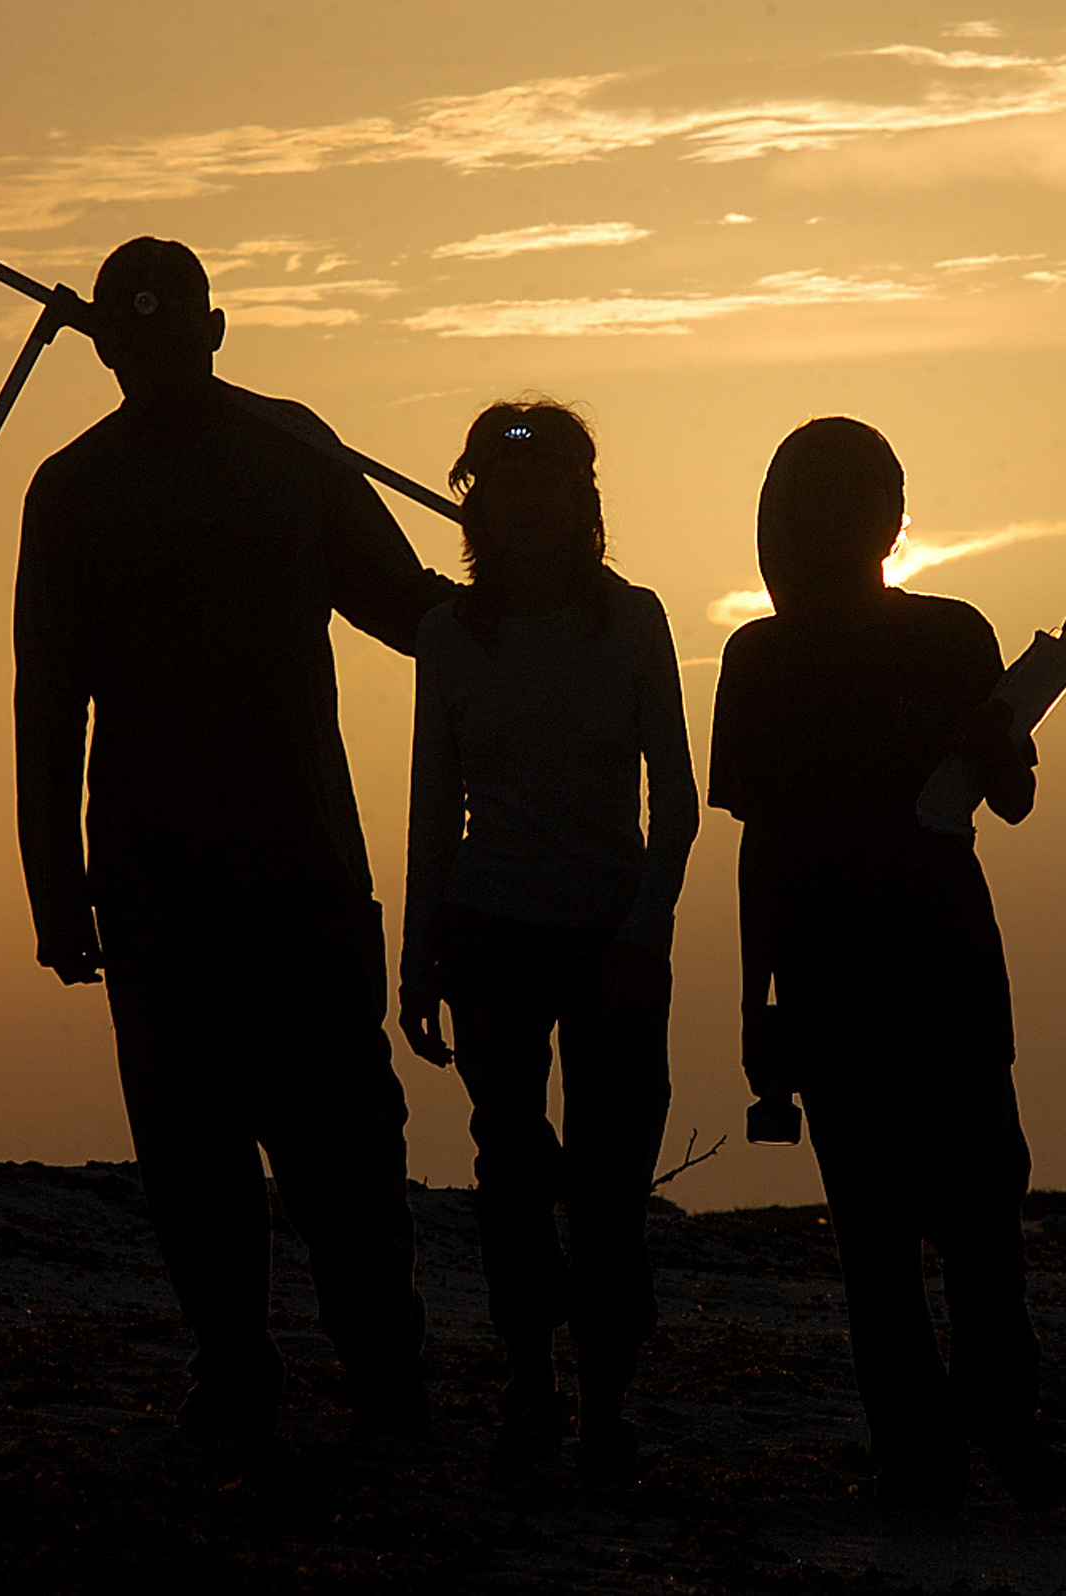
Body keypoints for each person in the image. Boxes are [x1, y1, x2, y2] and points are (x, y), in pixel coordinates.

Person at [13, 237, 456, 1444]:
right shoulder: (72, 489)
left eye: (174, 334)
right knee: (189, 1143)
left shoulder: (295, 450)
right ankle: (236, 1369)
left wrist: (512, 592)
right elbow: (48, 700)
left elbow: (402, 606)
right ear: (106, 346)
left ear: (217, 331)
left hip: (303, 866)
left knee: (343, 1137)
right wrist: (59, 890)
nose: (154, 357)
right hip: (156, 882)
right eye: (131, 338)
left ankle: (384, 1371)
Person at [708, 416, 1066, 1513]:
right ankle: (921, 1456)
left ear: (892, 519)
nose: (825, 519)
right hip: (829, 977)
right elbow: (758, 843)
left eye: (850, 497)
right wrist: (755, 1004)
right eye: (804, 499)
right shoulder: (757, 659)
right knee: (872, 1236)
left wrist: (993, 739)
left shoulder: (953, 635)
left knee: (980, 1217)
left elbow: (1012, 800)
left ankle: (1004, 1426)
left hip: (948, 965)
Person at [398, 401, 698, 1480]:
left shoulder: (636, 620)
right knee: (514, 1165)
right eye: (504, 486)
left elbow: (680, 794)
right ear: (478, 502)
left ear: (585, 499)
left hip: (611, 932)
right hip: (490, 933)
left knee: (610, 1179)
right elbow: (435, 804)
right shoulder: (447, 635)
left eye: (549, 483)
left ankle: (607, 1397)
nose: (528, 504)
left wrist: (645, 931)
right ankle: (531, 1377)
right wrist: (415, 953)